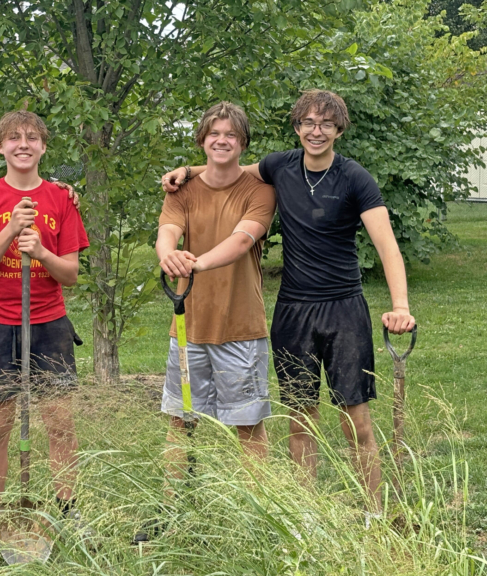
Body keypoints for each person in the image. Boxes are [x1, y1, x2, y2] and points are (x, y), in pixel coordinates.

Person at [161, 90, 416, 516]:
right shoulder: (280, 166)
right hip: (293, 311)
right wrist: (186, 170)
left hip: (343, 308)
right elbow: (229, 165)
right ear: (297, 128)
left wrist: (401, 306)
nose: (317, 132)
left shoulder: (355, 178)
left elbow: (387, 246)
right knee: (300, 418)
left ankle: (374, 513)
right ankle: (304, 513)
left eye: (326, 125)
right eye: (309, 124)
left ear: (339, 130)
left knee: (356, 418)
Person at [135, 102, 276, 544]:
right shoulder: (181, 188)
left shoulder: (261, 188)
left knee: (248, 426)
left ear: (242, 143)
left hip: (242, 328)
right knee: (180, 422)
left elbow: (241, 241)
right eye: (214, 133)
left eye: (231, 135)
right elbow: (167, 234)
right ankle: (171, 510)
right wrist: (167, 256)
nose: (221, 140)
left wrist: (192, 264)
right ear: (202, 139)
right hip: (188, 328)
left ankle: (257, 518)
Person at [0, 110, 91, 547]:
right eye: (13, 138)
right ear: (0, 147)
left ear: (43, 147)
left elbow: (70, 273)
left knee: (60, 422)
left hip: (49, 322)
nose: (23, 144)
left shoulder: (60, 199)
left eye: (32, 137)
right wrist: (12, 229)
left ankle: (67, 511)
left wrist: (43, 254)